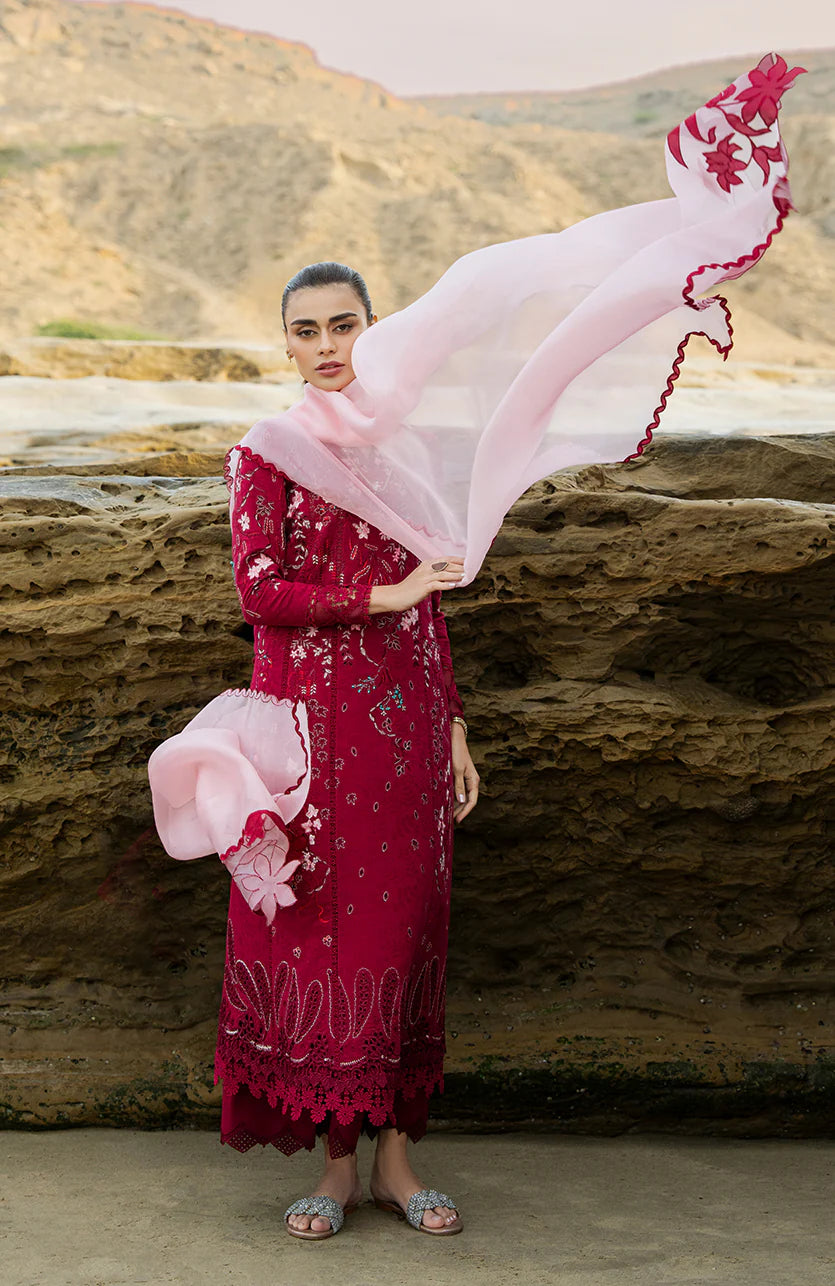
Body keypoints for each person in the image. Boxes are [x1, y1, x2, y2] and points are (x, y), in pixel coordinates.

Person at [216, 261, 478, 1238]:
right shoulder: (269, 451)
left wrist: (453, 723)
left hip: (405, 734)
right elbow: (260, 591)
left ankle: (395, 1164)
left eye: (344, 325)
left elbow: (433, 604)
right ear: (285, 343)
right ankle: (336, 1168)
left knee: (406, 934)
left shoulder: (406, 445)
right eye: (306, 330)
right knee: (322, 939)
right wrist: (383, 595)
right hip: (308, 741)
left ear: (375, 328)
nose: (327, 345)